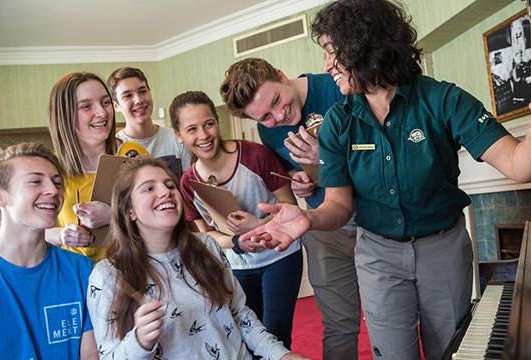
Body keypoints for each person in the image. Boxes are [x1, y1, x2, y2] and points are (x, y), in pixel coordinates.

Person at [241, 1, 531, 359]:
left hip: (442, 249)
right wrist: (310, 218)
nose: (326, 66)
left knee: (449, 349)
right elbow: (338, 205)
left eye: (333, 52)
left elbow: (518, 165)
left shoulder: (443, 99)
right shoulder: (338, 121)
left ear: (367, 46)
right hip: (377, 254)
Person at [86, 156, 308, 360]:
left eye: (170, 185)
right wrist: (139, 342)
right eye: (149, 188)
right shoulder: (108, 275)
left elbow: (240, 315)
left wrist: (280, 355)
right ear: (129, 211)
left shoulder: (206, 246)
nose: (165, 191)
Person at [221, 58, 361, 360]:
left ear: (282, 76)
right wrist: (299, 181)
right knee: (337, 321)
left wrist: (327, 158)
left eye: (276, 101)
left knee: (385, 314)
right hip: (322, 225)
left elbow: (373, 158)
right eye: (265, 117)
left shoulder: (338, 88)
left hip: (373, 218)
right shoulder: (268, 132)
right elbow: (294, 172)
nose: (279, 116)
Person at [170, 90, 302, 349]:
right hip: (237, 265)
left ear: (217, 123)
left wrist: (257, 224)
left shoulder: (256, 155)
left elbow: (290, 206)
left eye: (208, 124)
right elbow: (207, 234)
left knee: (275, 334)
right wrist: (237, 240)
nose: (203, 135)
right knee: (245, 336)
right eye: (192, 129)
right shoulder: (188, 183)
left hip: (280, 256)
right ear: (179, 135)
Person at [0, 142, 97, 359]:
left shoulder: (82, 270)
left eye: (57, 183)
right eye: (35, 182)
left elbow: (90, 355)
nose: (53, 190)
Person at [46, 72, 149, 262]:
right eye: (86, 106)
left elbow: (160, 214)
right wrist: (61, 235)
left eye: (105, 102)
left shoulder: (133, 154)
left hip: (131, 270)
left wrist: (114, 216)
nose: (102, 113)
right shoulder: (51, 167)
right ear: (65, 115)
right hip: (76, 277)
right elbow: (29, 230)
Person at [108, 66, 192, 176]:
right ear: (116, 106)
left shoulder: (177, 139)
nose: (139, 100)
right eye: (128, 96)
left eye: (142, 91)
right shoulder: (113, 149)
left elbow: (188, 187)